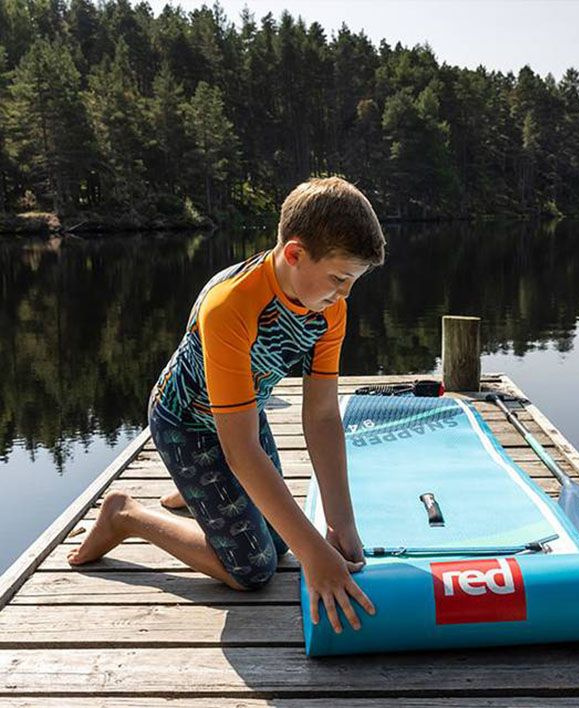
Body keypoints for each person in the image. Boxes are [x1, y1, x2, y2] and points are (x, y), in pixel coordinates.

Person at [67, 176, 386, 635]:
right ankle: (127, 515)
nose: (345, 294)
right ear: (294, 254)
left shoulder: (329, 308)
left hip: (243, 414)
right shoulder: (231, 304)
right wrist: (316, 555)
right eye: (339, 278)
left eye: (352, 282)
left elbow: (320, 416)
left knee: (278, 546)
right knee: (252, 570)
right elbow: (239, 451)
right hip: (186, 424)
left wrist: (341, 525)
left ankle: (196, 489)